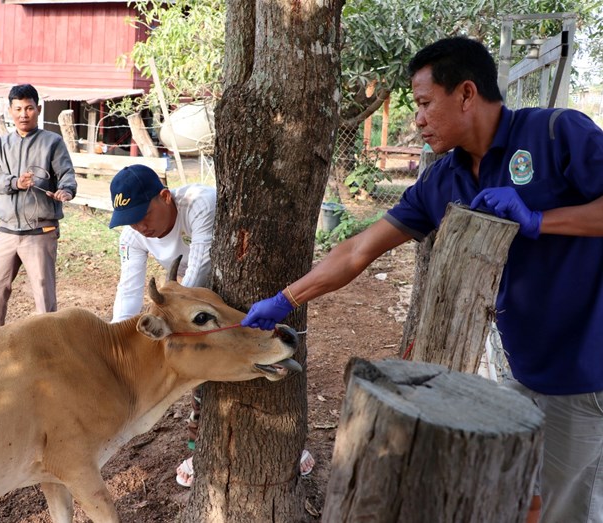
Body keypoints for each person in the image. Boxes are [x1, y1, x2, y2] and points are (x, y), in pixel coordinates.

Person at [243, 36, 603, 523]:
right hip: (521, 370)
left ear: (467, 94)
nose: (417, 119)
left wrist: (541, 220)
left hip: (585, 373)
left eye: (424, 103)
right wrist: (286, 299)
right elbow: (358, 249)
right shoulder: (444, 180)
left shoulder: (556, 134)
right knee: (515, 492)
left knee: (568, 508)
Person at [108, 164, 314, 487]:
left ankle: (291, 442)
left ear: (165, 196)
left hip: (230, 299)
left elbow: (200, 268)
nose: (139, 226)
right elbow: (128, 291)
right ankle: (199, 445)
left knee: (271, 351)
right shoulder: (133, 236)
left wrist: (178, 320)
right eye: (129, 220)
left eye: (143, 214)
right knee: (199, 371)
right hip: (193, 313)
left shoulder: (200, 204)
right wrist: (117, 351)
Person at [0, 83, 77, 328]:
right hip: (7, 231)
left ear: (39, 109)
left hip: (40, 231)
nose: (23, 114)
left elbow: (67, 174)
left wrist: (66, 190)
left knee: (43, 293)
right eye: (18, 109)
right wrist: (15, 182)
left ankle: (48, 343)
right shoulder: (1, 144)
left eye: (29, 108)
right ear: (9, 110)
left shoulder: (52, 142)